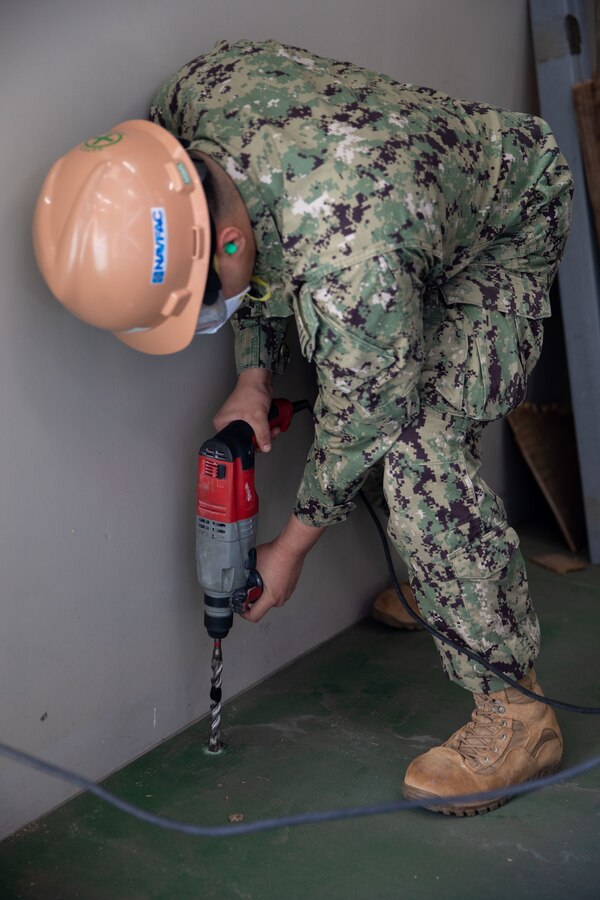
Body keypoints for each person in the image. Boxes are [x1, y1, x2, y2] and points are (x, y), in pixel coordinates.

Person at [33, 39, 573, 815]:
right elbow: (245, 237)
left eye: (201, 303)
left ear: (223, 244)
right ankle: (445, 585)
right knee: (385, 414)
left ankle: (518, 711)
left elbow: (367, 416)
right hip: (406, 202)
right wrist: (252, 378)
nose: (207, 319)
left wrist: (289, 549)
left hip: (502, 222)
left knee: (417, 450)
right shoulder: (183, 115)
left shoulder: (356, 261)